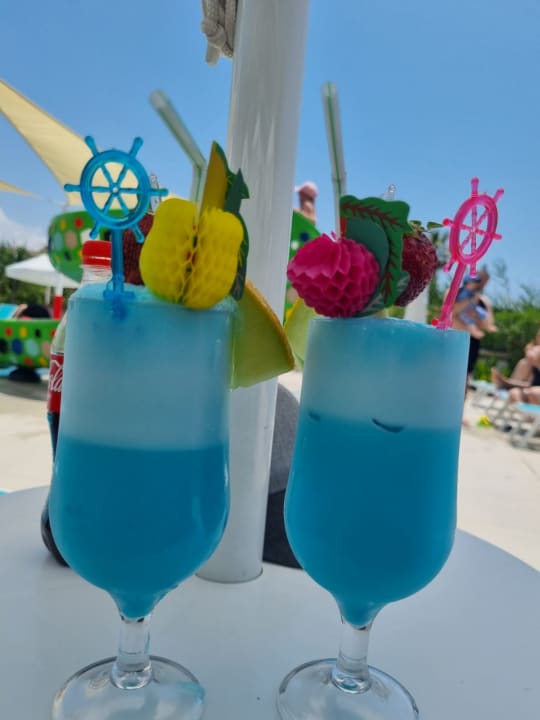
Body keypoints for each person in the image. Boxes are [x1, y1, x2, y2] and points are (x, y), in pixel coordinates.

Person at [491, 329, 540, 406]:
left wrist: (536, 362)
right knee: (514, 393)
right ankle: (508, 384)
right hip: (532, 387)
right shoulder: (535, 351)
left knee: (532, 393)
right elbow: (531, 383)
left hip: (534, 391)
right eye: (538, 336)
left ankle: (506, 384)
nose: (537, 339)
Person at [453, 273, 497, 340]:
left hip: (472, 338)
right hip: (457, 336)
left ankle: (475, 331)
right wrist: (471, 300)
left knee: (480, 313)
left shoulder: (483, 299)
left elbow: (489, 319)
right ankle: (474, 331)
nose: (479, 283)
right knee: (467, 319)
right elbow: (451, 312)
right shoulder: (456, 292)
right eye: (478, 281)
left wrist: (475, 316)